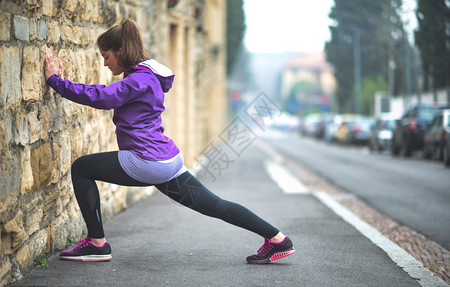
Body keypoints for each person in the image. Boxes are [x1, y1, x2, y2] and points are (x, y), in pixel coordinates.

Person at [43, 19, 295, 264]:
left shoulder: (138, 80)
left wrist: (56, 82)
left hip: (148, 161)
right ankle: (277, 239)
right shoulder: (145, 76)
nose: (106, 63)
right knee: (214, 205)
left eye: (106, 56)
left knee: (82, 168)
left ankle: (97, 244)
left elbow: (103, 97)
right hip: (168, 161)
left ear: (120, 51)